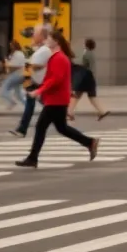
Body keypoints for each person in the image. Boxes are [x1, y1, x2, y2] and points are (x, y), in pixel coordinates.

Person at [15, 31, 99, 168]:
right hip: (57, 98)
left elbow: (55, 80)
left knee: (41, 126)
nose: (46, 40)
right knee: (62, 128)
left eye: (49, 38)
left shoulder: (59, 58)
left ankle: (32, 158)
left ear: (56, 42)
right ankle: (90, 142)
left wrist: (38, 91)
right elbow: (52, 78)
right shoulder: (57, 57)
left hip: (57, 99)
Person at [9, 26, 52, 138]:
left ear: (42, 36)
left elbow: (36, 65)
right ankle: (22, 129)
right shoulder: (39, 48)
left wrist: (29, 66)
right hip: (34, 81)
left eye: (35, 33)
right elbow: (31, 63)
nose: (33, 35)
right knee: (32, 103)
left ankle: (22, 129)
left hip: (38, 82)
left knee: (45, 104)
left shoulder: (44, 50)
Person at [68, 38, 111, 121]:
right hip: (90, 77)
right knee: (89, 95)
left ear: (86, 44)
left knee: (78, 94)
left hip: (86, 77)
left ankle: (70, 112)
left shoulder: (86, 53)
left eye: (84, 43)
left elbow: (83, 65)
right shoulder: (91, 53)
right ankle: (101, 112)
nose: (83, 44)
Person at [0, 40, 26, 109]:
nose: (10, 47)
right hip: (20, 75)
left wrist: (6, 64)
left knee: (3, 90)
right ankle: (27, 106)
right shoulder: (18, 53)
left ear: (14, 46)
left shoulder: (18, 54)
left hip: (16, 75)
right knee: (18, 94)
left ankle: (12, 102)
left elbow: (15, 65)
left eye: (11, 45)